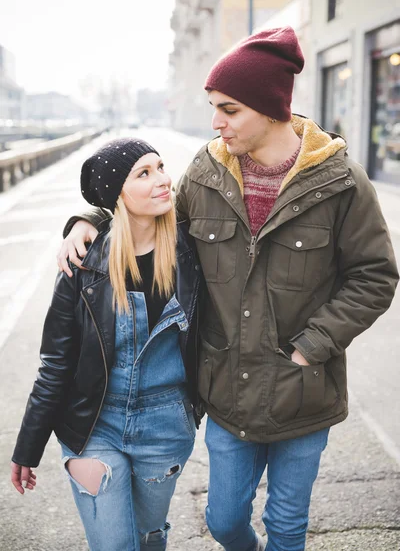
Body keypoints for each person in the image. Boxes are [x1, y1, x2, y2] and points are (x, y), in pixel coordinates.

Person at [56, 28, 399, 551]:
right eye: (214, 107)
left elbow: (374, 276)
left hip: (306, 395)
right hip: (228, 394)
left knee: (287, 527)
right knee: (223, 522)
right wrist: (90, 220)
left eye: (230, 109)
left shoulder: (343, 182)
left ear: (270, 107)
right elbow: (151, 219)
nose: (216, 121)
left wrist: (313, 346)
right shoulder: (206, 172)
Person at [11, 138, 202, 551]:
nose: (164, 180)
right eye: (144, 174)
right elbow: (55, 362)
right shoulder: (82, 264)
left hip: (165, 426)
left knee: (150, 538)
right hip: (93, 425)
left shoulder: (191, 250)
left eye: (161, 167)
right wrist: (28, 446)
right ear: (118, 194)